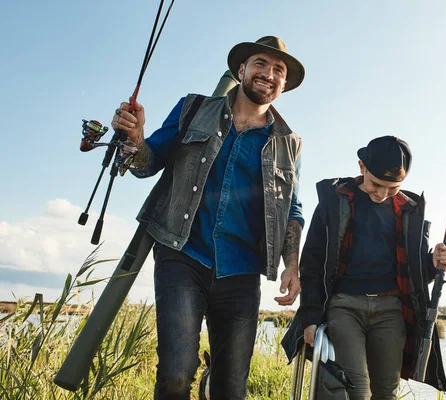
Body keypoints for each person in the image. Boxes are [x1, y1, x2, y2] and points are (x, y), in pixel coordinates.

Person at [111, 36, 305, 400]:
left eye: (279, 70)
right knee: (175, 375)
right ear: (241, 70)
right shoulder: (193, 109)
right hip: (182, 254)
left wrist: (291, 264)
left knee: (231, 389)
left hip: (242, 270)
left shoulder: (289, 142)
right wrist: (135, 138)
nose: (269, 74)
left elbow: (291, 206)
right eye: (261, 64)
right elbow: (147, 163)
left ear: (283, 85)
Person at [282, 136, 446, 399]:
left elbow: (416, 273)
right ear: (362, 167)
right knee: (356, 390)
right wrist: (311, 318)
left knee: (386, 392)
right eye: (376, 184)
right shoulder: (333, 201)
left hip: (391, 311)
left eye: (393, 187)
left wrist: (434, 262)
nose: (383, 193)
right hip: (344, 308)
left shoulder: (411, 211)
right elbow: (312, 264)